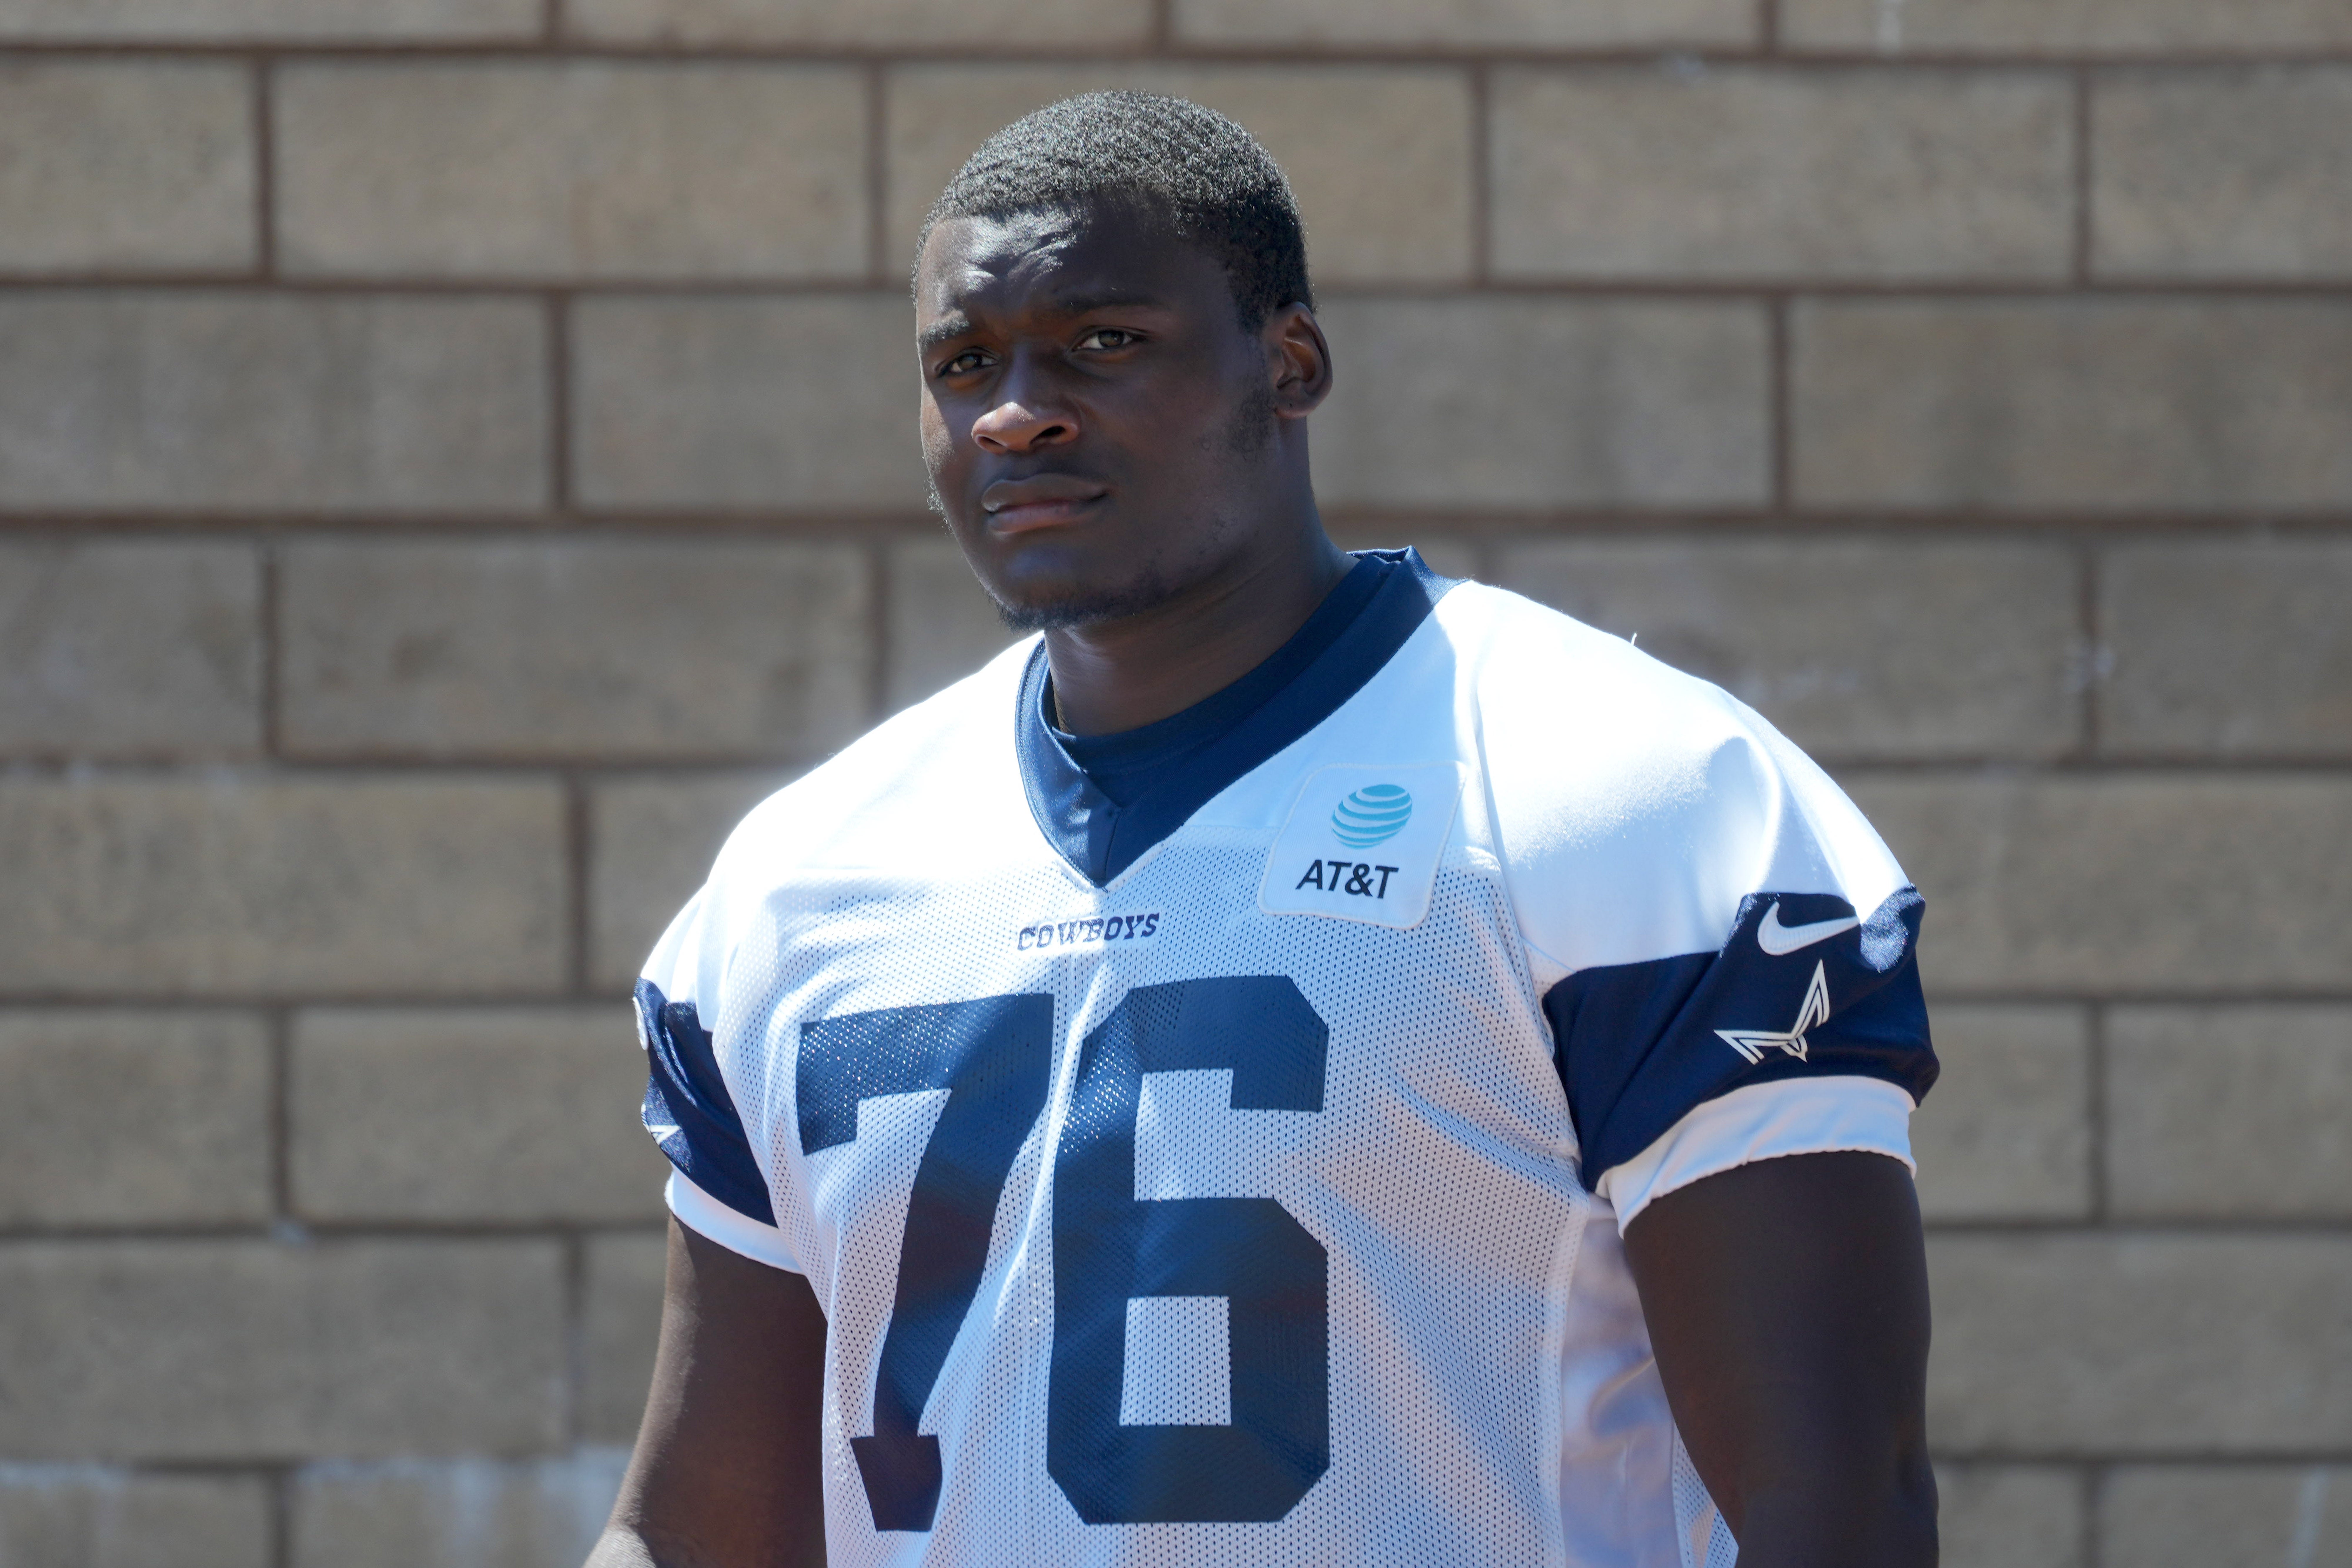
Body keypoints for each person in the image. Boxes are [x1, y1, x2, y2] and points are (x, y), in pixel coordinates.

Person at [588, 92, 1938, 1568]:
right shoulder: (794, 884)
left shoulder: (1622, 787)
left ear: (1289, 363)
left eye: (1105, 341)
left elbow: (1838, 1505)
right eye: (965, 362)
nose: (1018, 409)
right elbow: (700, 1532)